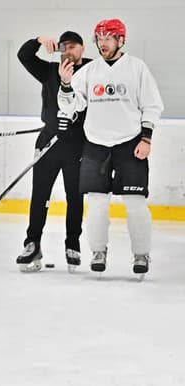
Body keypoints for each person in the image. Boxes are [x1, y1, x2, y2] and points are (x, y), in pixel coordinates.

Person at [57, 19, 163, 277]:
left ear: (120, 40)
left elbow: (152, 105)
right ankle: (98, 251)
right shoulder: (89, 72)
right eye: (99, 38)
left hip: (130, 143)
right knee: (96, 203)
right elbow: (70, 107)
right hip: (96, 145)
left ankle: (141, 254)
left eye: (108, 37)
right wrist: (66, 84)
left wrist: (146, 138)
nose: (102, 43)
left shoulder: (137, 68)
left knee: (136, 202)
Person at [16, 31, 91, 273]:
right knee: (40, 195)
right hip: (48, 142)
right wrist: (37, 40)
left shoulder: (93, 70)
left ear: (82, 48)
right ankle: (32, 243)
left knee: (74, 197)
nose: (67, 51)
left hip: (77, 144)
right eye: (63, 47)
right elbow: (24, 56)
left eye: (72, 46)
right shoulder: (49, 71)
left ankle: (73, 245)